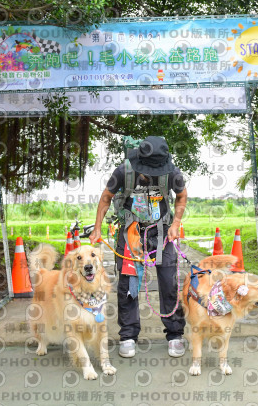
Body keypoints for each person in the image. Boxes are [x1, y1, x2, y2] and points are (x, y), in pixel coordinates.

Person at [89, 136, 187, 358]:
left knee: (169, 282)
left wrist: (176, 223)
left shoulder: (173, 173)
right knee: (129, 284)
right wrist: (97, 228)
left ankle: (174, 335)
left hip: (162, 230)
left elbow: (181, 197)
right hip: (131, 231)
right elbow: (106, 198)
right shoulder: (124, 171)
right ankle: (128, 336)